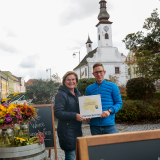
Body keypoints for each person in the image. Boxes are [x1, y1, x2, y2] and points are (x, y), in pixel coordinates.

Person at [86, 63, 122, 135]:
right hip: (94, 126)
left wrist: (109, 111)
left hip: (109, 125)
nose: (99, 74)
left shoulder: (113, 86)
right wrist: (86, 113)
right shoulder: (89, 89)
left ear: (104, 72)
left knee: (113, 146)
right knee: (96, 146)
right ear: (93, 74)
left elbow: (119, 103)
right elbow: (88, 107)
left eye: (100, 72)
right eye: (96, 72)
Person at [54, 71, 83, 160]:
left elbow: (80, 109)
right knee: (70, 156)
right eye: (68, 80)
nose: (71, 82)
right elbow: (58, 113)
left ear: (76, 81)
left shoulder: (78, 94)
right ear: (64, 81)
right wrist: (75, 115)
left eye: (73, 79)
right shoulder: (61, 95)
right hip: (67, 131)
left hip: (77, 129)